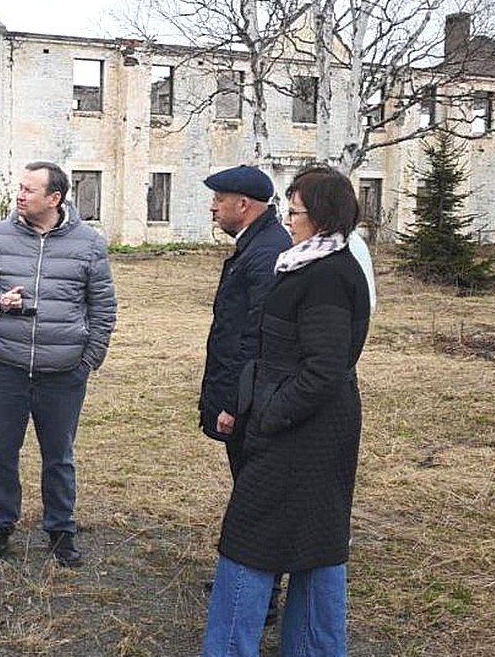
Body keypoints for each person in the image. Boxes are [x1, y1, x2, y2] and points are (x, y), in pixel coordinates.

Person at [202, 165, 372, 657]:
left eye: (294, 212)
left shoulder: (328, 275)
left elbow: (324, 369)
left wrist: (269, 414)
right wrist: (246, 403)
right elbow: (274, 352)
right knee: (314, 546)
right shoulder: (307, 263)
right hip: (304, 426)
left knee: (248, 543)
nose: (287, 220)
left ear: (320, 217)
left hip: (305, 432)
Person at [0, 161, 117, 567]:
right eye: (20, 187)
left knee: (59, 455)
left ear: (55, 198)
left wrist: (88, 359)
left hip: (63, 373)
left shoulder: (88, 244)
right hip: (4, 368)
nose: (20, 195)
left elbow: (103, 307)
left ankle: (61, 530)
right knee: (0, 453)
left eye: (30, 189)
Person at [199, 164, 292, 619]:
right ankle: (250, 580)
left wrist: (235, 405)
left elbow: (255, 340)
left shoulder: (267, 252)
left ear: (244, 205)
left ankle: (262, 594)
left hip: (249, 401)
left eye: (220, 198)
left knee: (257, 494)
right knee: (250, 491)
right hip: (242, 394)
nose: (213, 206)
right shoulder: (256, 246)